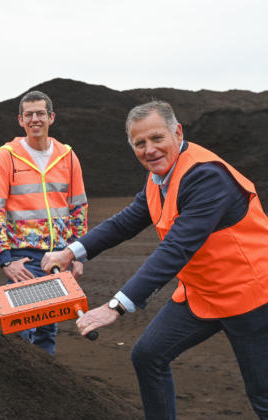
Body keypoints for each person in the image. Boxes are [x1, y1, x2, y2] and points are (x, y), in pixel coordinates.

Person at [41, 100, 268, 419]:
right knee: (148, 355)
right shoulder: (159, 177)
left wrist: (116, 306)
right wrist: (71, 251)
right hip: (203, 293)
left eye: (157, 138)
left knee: (262, 394)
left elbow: (175, 250)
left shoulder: (205, 176)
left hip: (251, 295)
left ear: (177, 132)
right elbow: (126, 221)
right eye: (140, 143)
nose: (149, 149)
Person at [0, 90, 88, 356]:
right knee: (22, 327)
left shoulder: (67, 157)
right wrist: (6, 259)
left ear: (51, 117)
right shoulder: (5, 157)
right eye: (28, 114)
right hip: (24, 258)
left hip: (58, 255)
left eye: (40, 113)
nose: (35, 119)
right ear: (20, 120)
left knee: (47, 328)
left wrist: (78, 254)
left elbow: (78, 209)